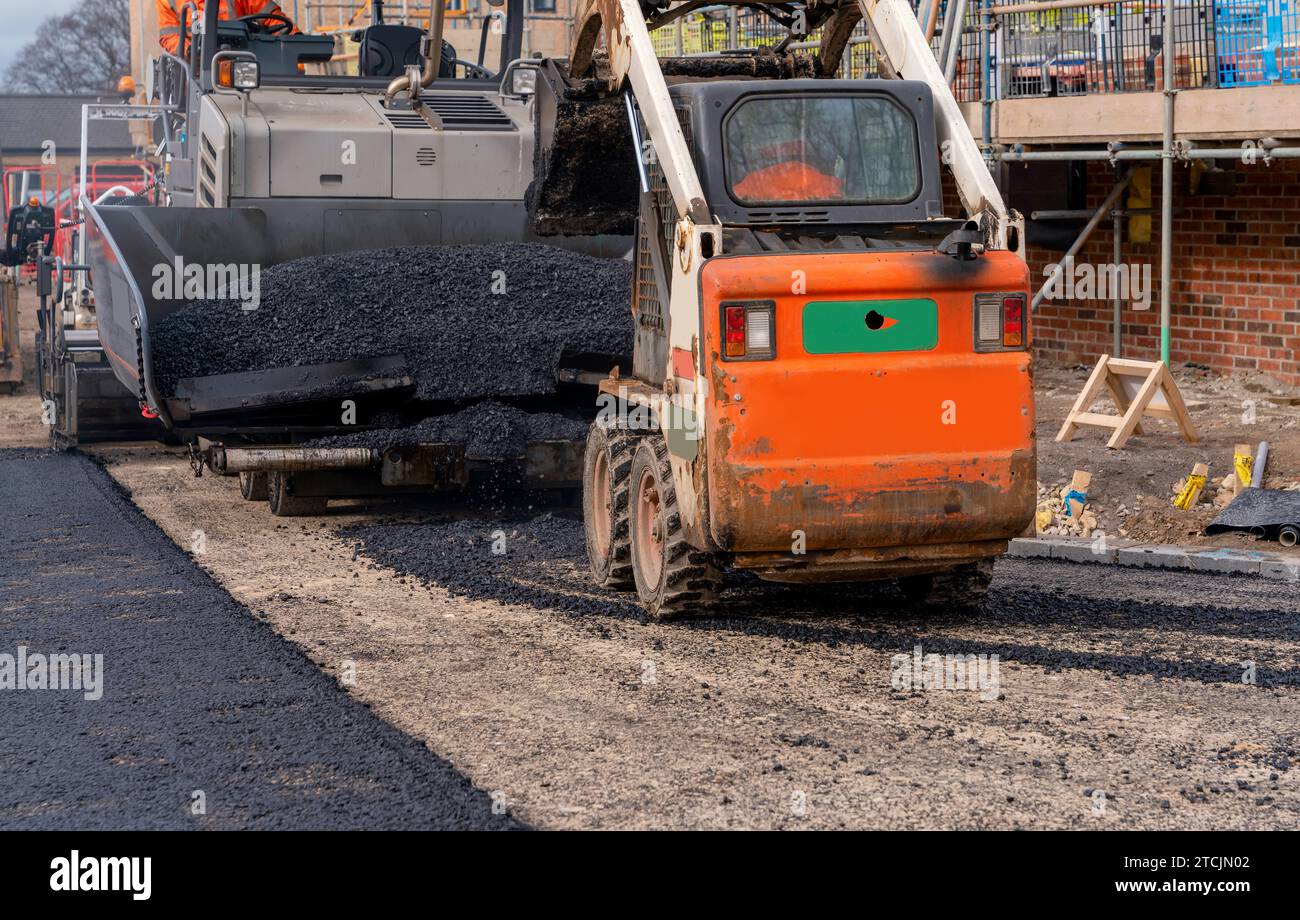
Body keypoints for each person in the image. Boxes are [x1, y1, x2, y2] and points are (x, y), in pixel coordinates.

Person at [157, 0, 297, 56]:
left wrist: (296, 38)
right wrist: (190, 50)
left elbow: (268, 13)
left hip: (244, 61)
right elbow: (169, 35)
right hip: (197, 71)